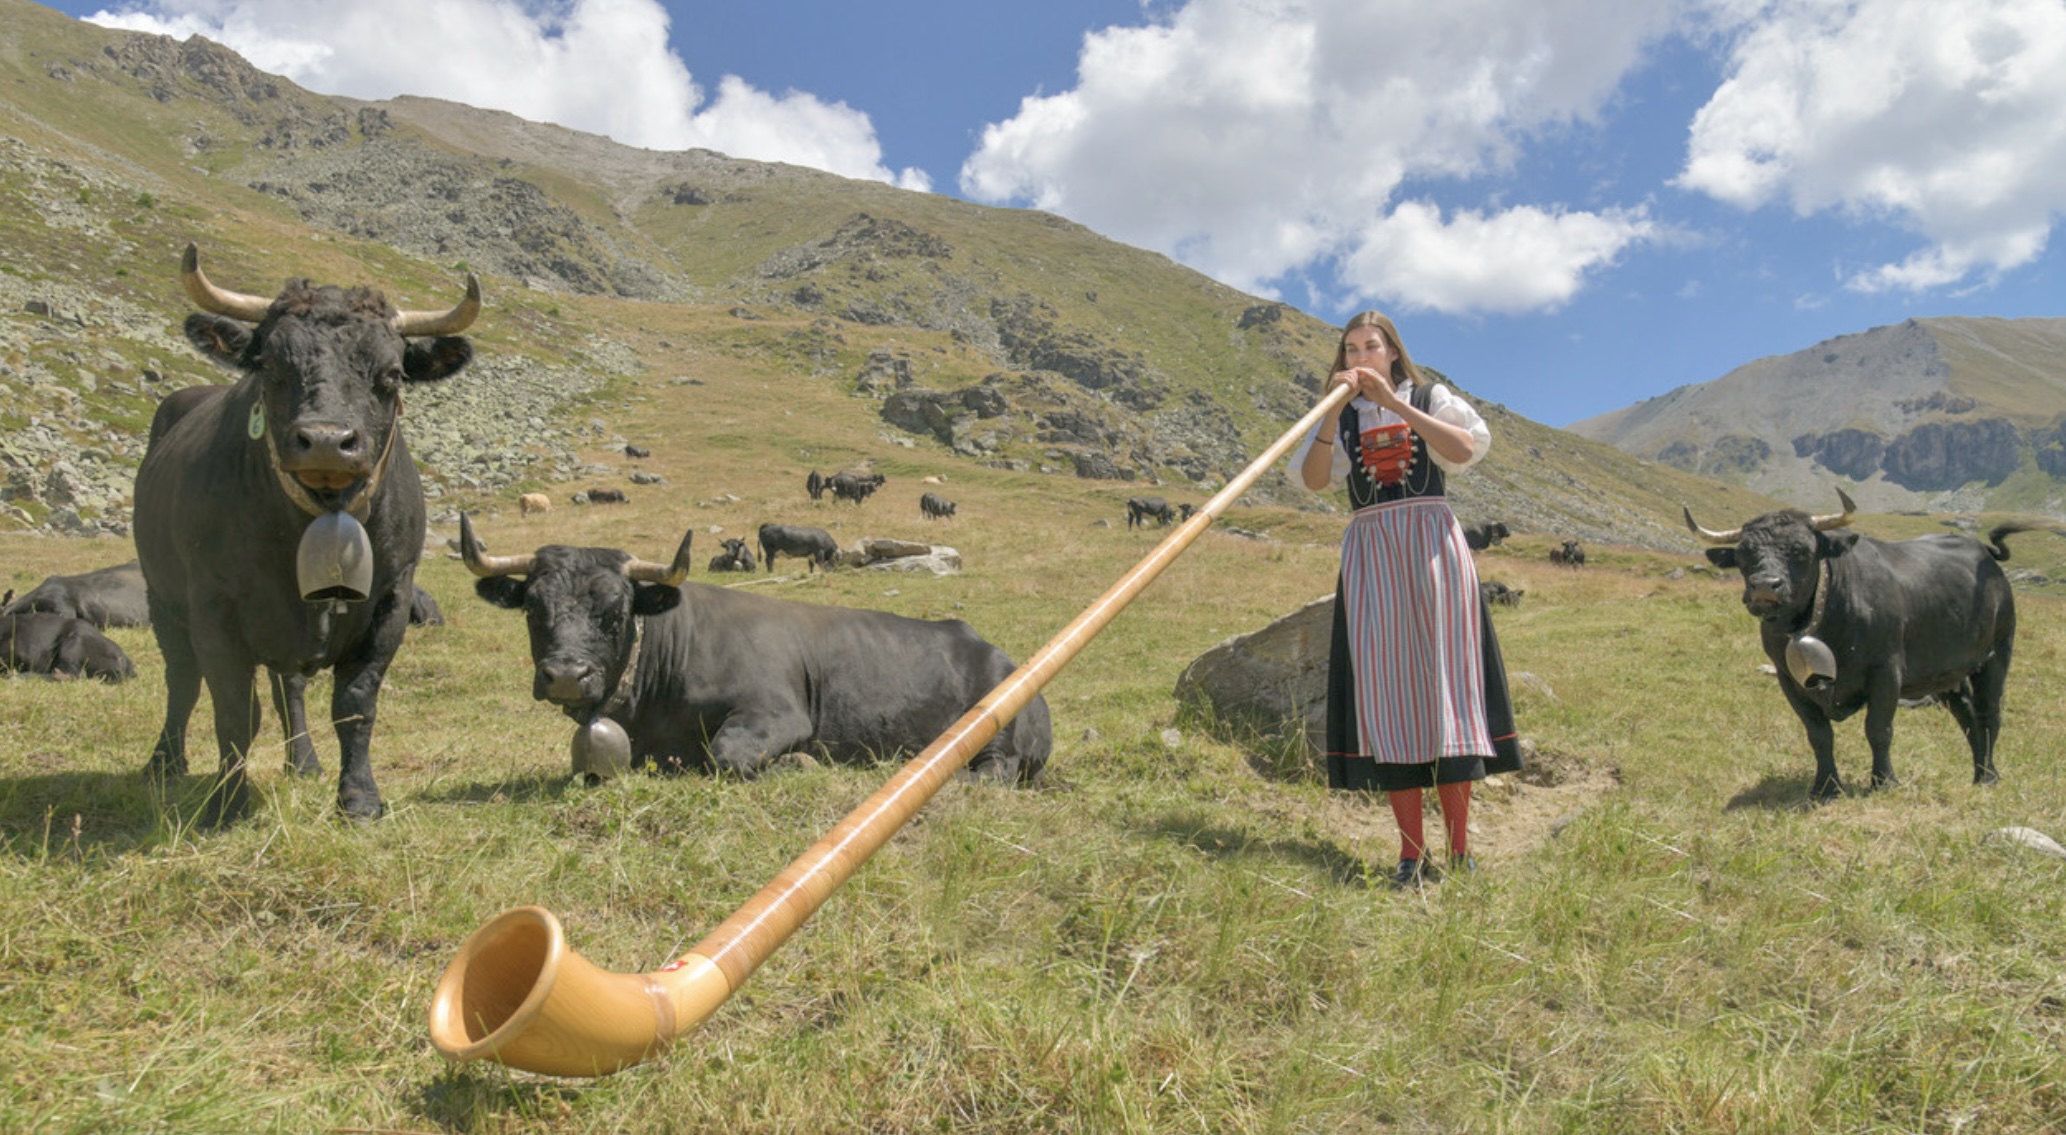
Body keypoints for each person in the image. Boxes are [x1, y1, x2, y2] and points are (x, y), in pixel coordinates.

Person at [1290, 310, 1523, 889]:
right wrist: (1334, 411)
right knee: (1387, 693)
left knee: (1447, 688)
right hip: (1372, 548)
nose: (1360, 357)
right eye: (1350, 349)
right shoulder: (1337, 417)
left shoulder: (1428, 395)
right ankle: (1410, 854)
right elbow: (1316, 480)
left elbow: (1463, 450)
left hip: (1432, 545)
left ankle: (1462, 849)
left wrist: (1394, 405)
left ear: (1392, 352)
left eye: (1371, 346)